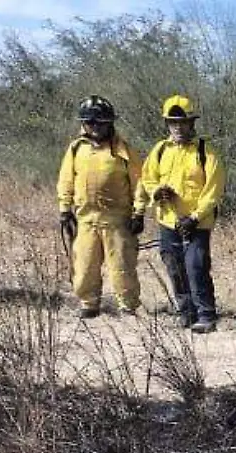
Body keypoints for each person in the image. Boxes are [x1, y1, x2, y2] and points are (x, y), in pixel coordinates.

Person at [141, 94, 227, 334]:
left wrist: (195, 217)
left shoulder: (205, 153)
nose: (178, 127)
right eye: (173, 123)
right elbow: (148, 179)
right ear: (168, 124)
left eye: (182, 122)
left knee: (196, 266)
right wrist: (157, 192)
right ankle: (186, 312)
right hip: (168, 221)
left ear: (192, 124)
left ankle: (206, 315)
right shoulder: (159, 150)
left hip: (196, 224)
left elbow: (213, 191)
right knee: (174, 267)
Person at [57, 96, 143, 319]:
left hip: (116, 220)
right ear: (83, 124)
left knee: (122, 267)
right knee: (84, 267)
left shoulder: (123, 150)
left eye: (100, 123)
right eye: (90, 123)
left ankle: (127, 306)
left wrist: (139, 213)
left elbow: (139, 182)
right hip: (85, 220)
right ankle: (89, 303)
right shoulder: (76, 149)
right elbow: (66, 179)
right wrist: (65, 209)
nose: (95, 127)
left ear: (110, 123)